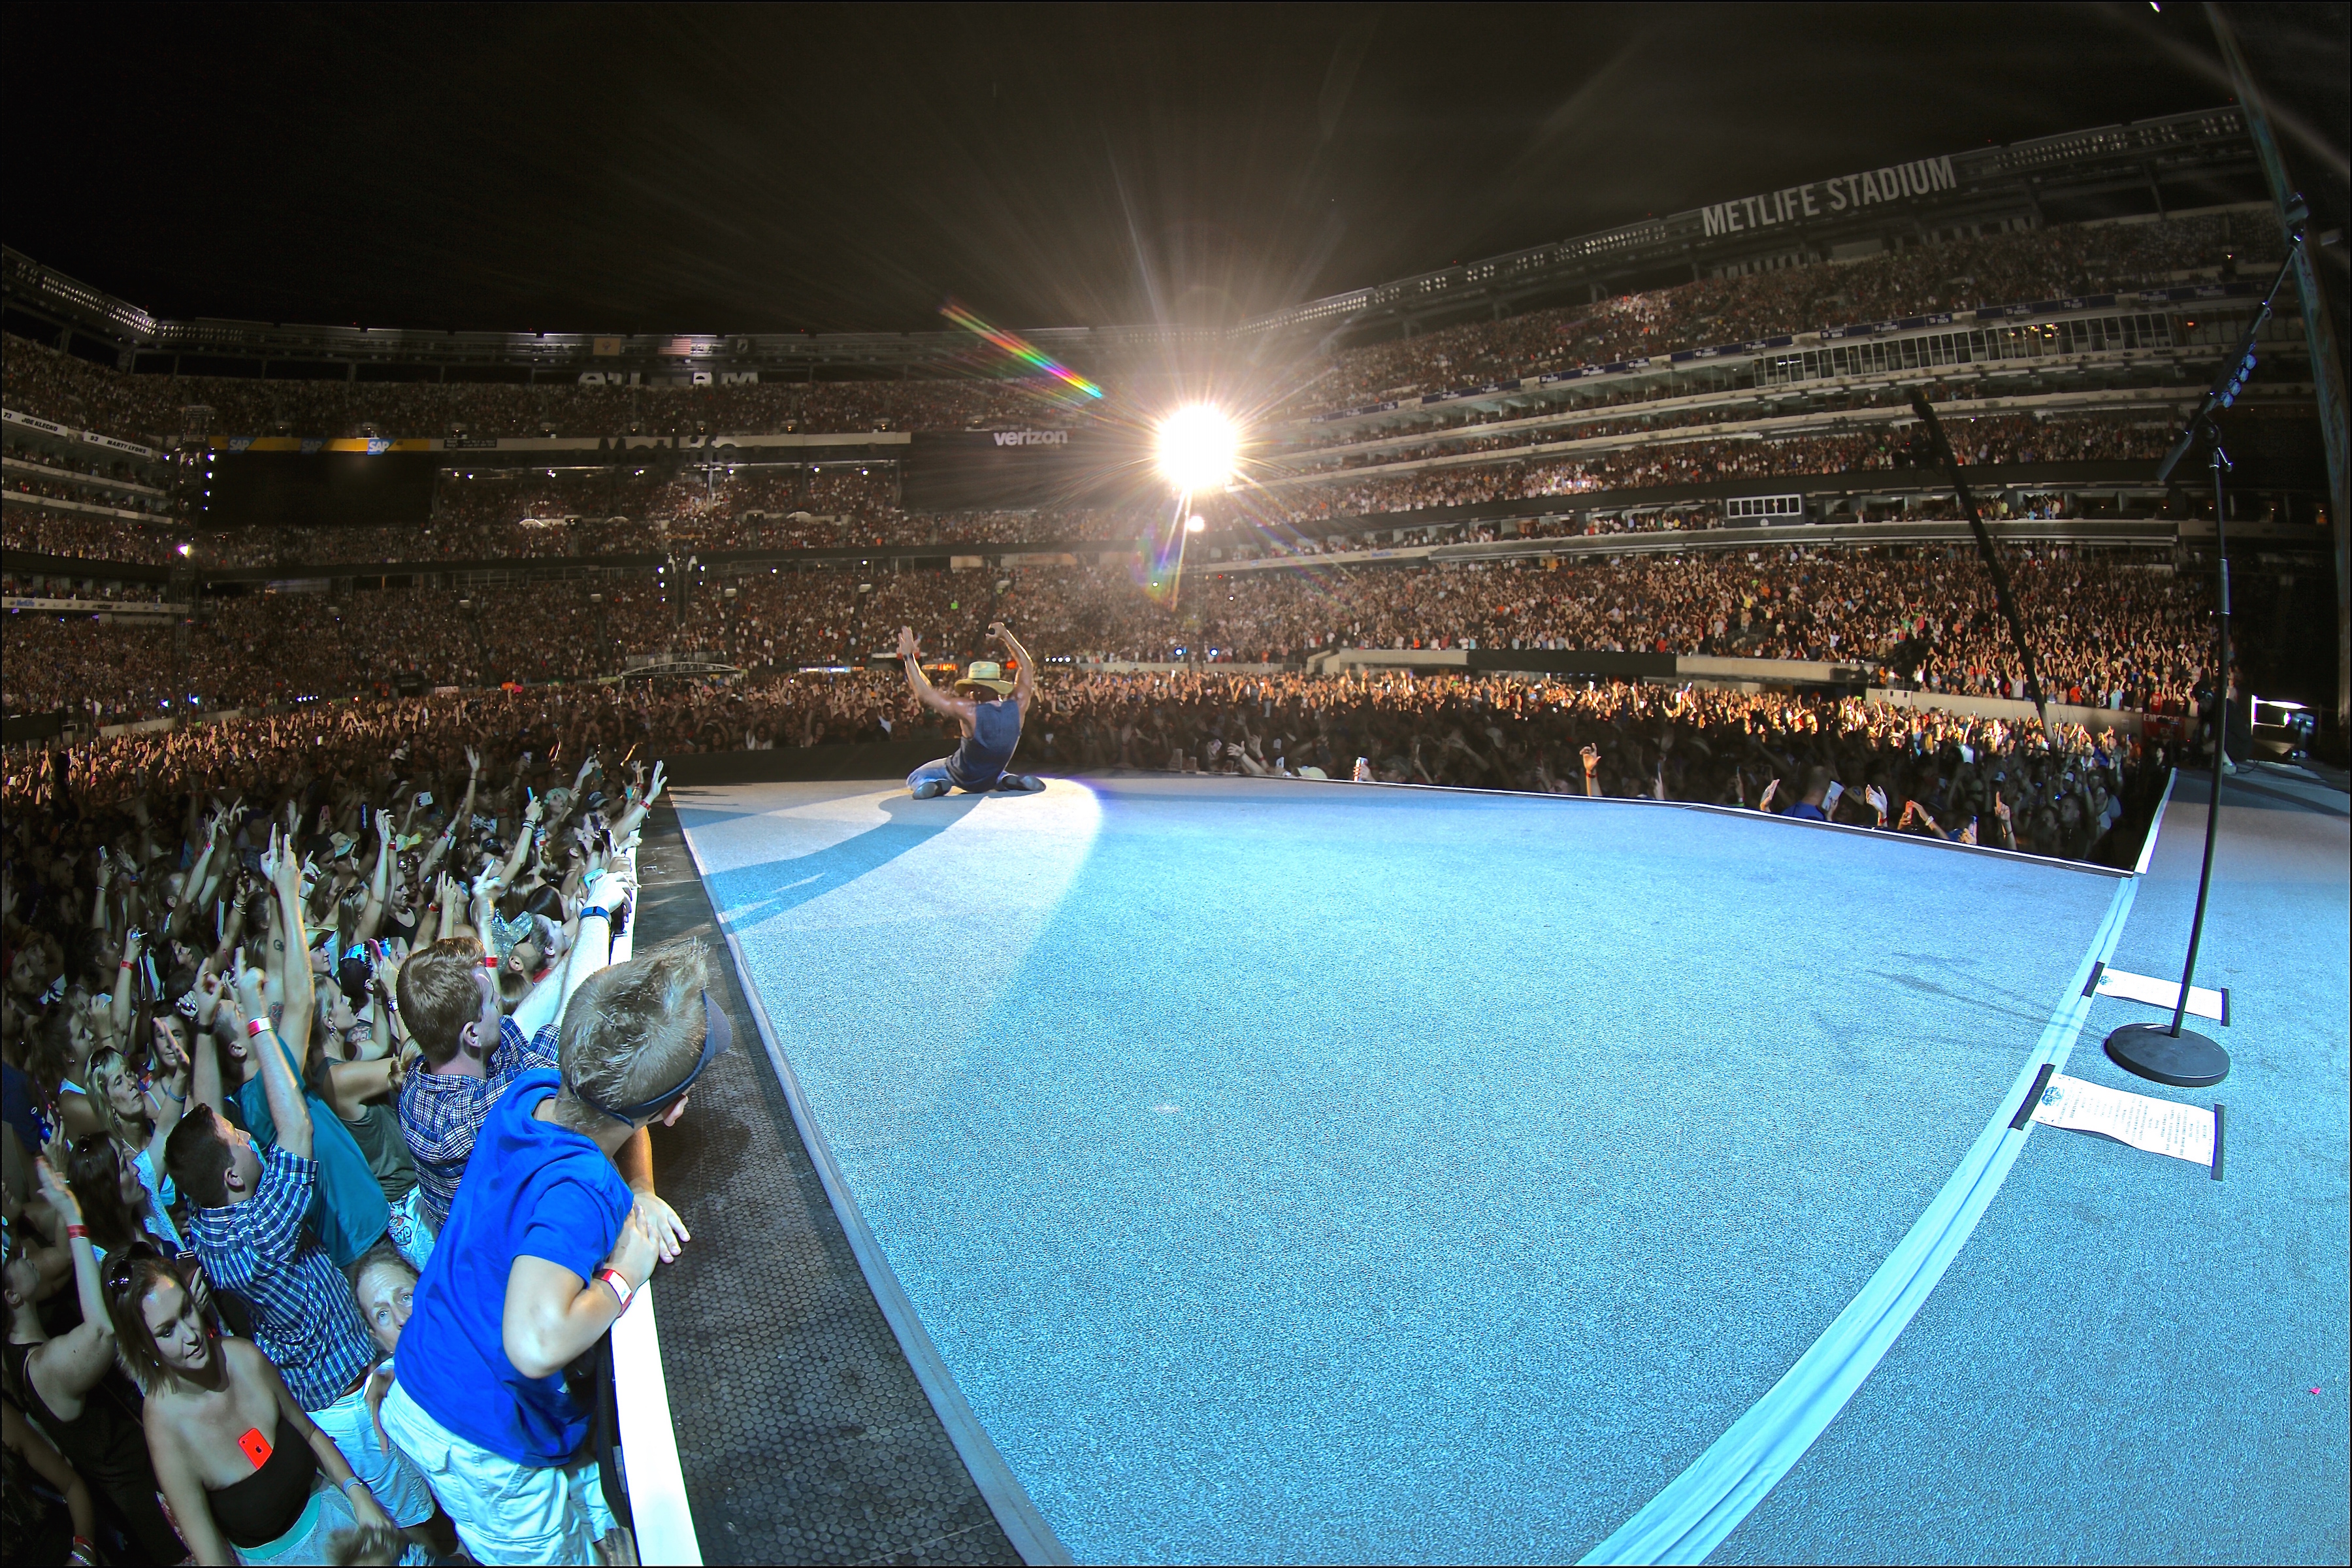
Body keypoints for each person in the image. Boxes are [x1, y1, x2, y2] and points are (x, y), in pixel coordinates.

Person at [380, 938, 711, 1565]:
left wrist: (641, 1187)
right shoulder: (577, 1188)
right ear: (674, 1109)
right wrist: (622, 1277)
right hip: (477, 1432)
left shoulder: (530, 1091)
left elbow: (616, 1117)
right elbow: (534, 1345)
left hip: (437, 1369)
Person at [165, 948, 448, 1557]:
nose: (245, 1136)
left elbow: (201, 1128)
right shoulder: (260, 1233)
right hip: (346, 1399)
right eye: (239, 1140)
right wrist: (253, 1017)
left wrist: (208, 1030)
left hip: (343, 1381)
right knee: (415, 1513)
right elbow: (298, 1130)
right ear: (234, 1177)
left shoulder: (210, 1218)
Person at [107, 1245, 396, 1566]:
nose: (190, 1335)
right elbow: (211, 1554)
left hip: (340, 1524)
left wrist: (358, 1495)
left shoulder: (244, 1358)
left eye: (186, 1311)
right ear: (144, 1348)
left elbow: (309, 1432)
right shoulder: (164, 1429)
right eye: (167, 1331)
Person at [2, 1158, 186, 1562]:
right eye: (15, 1258)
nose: (26, 1254)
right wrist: (74, 1219)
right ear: (12, 1297)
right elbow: (101, 1332)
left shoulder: (32, 1342)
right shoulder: (41, 1368)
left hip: (161, 1481)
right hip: (154, 1509)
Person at [898, 621, 1045, 796]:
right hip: (990, 776)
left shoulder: (969, 710)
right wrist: (1006, 635)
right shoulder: (1018, 705)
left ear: (976, 690)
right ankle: (1005, 780)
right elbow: (1026, 665)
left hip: (961, 774)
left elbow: (926, 694)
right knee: (993, 769)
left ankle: (934, 784)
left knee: (917, 775)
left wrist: (909, 657)